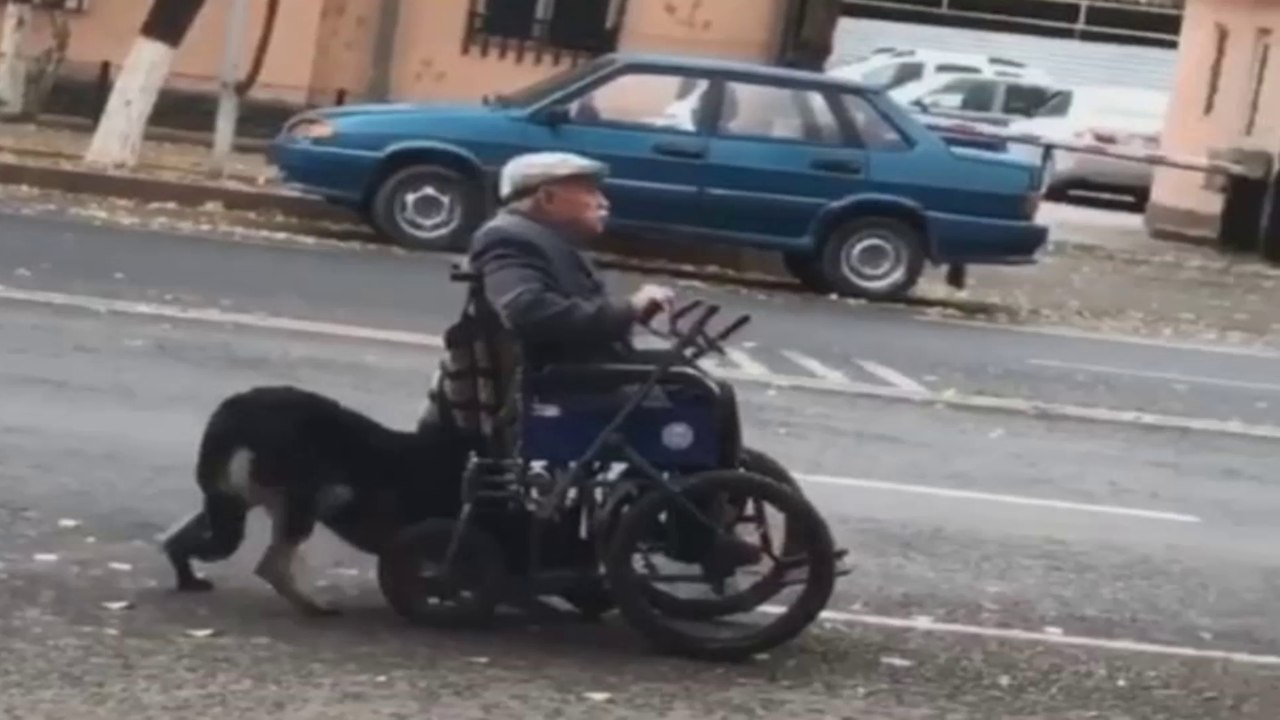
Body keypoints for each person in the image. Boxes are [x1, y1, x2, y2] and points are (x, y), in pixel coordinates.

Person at [467, 151, 675, 367]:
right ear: (548, 198)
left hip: (592, 373)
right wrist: (630, 307)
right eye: (590, 192)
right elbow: (528, 312)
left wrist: (634, 313)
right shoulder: (507, 237)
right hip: (571, 387)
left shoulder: (546, 238)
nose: (604, 203)